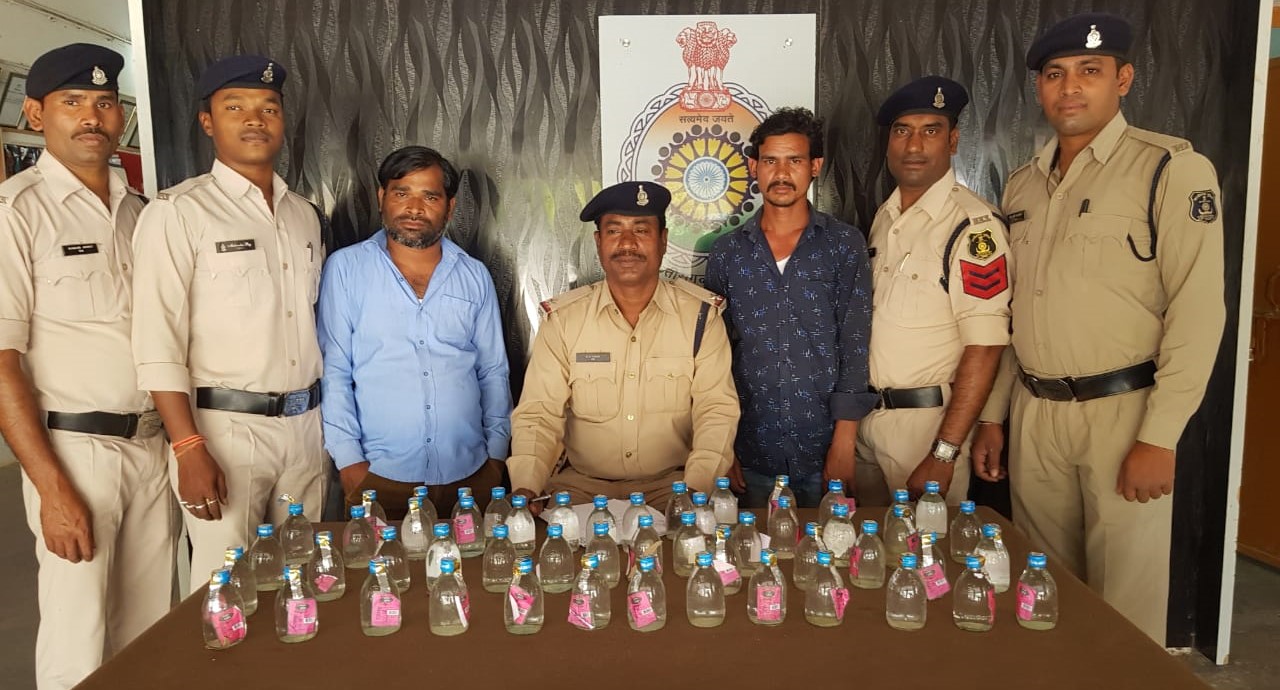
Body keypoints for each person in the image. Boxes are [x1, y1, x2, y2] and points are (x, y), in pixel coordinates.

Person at [971, 13, 1225, 644]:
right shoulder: (1024, 185)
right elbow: (1012, 313)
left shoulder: (1169, 169)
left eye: (1090, 70)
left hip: (1124, 414)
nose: (1071, 87)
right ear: (1038, 87)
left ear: (1124, 79)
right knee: (1044, 595)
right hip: (1036, 413)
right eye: (1055, 74)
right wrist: (994, 417)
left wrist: (1160, 437)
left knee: (1125, 611)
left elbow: (1198, 310)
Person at [0, 44, 174, 689]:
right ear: (35, 113)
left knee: (150, 633)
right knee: (77, 640)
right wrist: (51, 488)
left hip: (153, 447)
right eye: (72, 102)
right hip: (76, 451)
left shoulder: (144, 212)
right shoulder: (17, 212)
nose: (91, 118)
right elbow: (1, 363)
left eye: (104, 103)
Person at [131, 55, 326, 591]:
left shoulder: (303, 215)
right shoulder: (178, 212)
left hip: (305, 428)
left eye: (269, 108)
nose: (255, 119)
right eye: (235, 107)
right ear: (207, 121)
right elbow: (156, 340)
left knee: (300, 582)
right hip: (225, 432)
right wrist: (187, 447)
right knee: (226, 590)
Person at [507, 181, 739, 510]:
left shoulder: (700, 318)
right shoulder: (564, 320)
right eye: (614, 231)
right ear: (598, 242)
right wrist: (527, 486)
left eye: (641, 230)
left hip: (674, 487)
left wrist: (696, 488)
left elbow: (716, 410)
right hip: (581, 486)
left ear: (663, 240)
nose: (627, 244)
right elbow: (539, 413)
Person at [317, 146, 511, 520]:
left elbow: (492, 371)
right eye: (402, 193)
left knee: (478, 559)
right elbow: (334, 370)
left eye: (430, 196)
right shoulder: (346, 269)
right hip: (379, 476)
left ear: (450, 207)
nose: (414, 208)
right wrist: (351, 464)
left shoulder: (474, 275)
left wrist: (496, 458)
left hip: (471, 474)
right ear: (381, 197)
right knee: (381, 562)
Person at [704, 107, 877, 508]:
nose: (781, 173)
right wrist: (721, 445)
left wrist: (844, 442)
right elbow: (713, 356)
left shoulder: (843, 244)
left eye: (794, 161)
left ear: (815, 166)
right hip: (749, 449)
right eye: (770, 161)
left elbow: (854, 343)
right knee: (750, 547)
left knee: (828, 547)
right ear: (754, 167)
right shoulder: (728, 252)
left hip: (823, 447)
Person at [854, 77, 1011, 506]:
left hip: (926, 428)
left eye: (931, 131)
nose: (914, 145)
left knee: (924, 548)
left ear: (953, 141)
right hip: (869, 422)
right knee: (867, 544)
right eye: (902, 131)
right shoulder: (885, 217)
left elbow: (986, 347)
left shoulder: (972, 227)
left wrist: (944, 451)